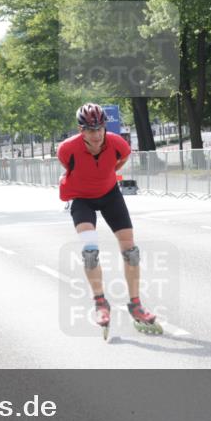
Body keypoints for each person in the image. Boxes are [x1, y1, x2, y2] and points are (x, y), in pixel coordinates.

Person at [57, 103, 161, 336]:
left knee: (131, 251)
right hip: (81, 199)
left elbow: (119, 162)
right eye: (90, 130)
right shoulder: (67, 149)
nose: (96, 135)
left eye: (99, 129)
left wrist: (103, 177)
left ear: (105, 127)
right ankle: (100, 303)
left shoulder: (118, 144)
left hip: (110, 195)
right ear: (81, 130)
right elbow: (68, 167)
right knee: (90, 252)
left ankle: (136, 305)